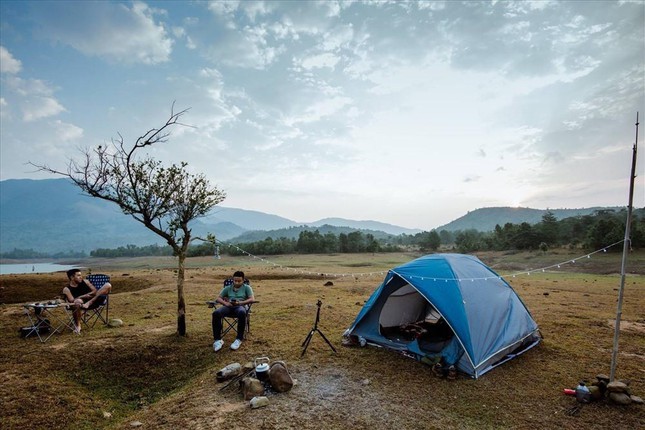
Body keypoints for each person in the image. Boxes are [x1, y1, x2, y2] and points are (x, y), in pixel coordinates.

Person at [212, 270, 254, 352]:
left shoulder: (247, 288)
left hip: (240, 307)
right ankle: (217, 340)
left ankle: (238, 339)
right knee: (216, 313)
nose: (237, 282)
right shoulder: (228, 288)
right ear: (232, 280)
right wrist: (226, 303)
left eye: (239, 281)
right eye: (235, 281)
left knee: (242, 312)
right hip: (229, 307)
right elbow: (218, 298)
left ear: (243, 280)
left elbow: (252, 299)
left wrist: (240, 302)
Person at [62, 268, 112, 334]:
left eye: (81, 275)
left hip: (95, 300)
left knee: (108, 285)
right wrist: (82, 297)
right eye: (78, 275)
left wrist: (86, 296)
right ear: (72, 277)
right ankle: (78, 326)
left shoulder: (85, 281)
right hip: (81, 304)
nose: (81, 277)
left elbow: (95, 291)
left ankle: (90, 302)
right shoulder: (66, 289)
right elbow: (72, 301)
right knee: (77, 302)